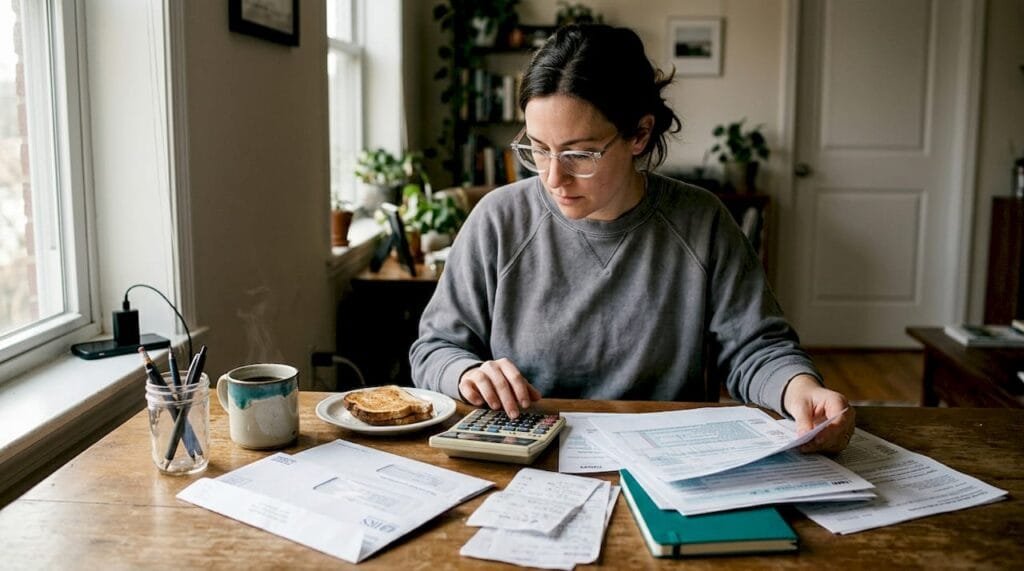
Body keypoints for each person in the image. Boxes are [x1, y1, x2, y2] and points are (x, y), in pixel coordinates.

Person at [410, 24, 854, 453]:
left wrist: (801, 389)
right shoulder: (497, 219)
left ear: (639, 134)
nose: (552, 177)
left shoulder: (701, 221)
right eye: (538, 148)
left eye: (580, 154)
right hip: (526, 455)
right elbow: (433, 349)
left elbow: (756, 347)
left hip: (671, 460)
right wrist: (465, 372)